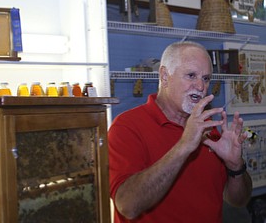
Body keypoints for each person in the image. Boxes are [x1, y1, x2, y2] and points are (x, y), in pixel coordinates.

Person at [108, 41, 252, 223]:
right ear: (165, 76)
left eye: (206, 78)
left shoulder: (208, 127)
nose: (201, 86)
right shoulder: (126, 127)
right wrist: (184, 146)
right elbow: (127, 205)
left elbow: (238, 200)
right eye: (191, 75)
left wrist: (235, 166)